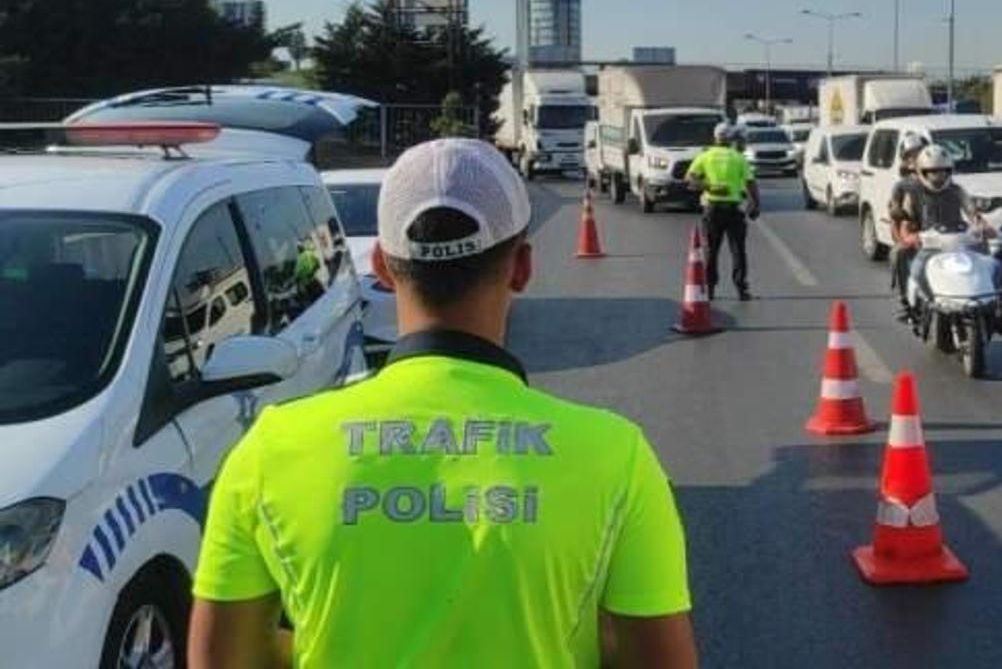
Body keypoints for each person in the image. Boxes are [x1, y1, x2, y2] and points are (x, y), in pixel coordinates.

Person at [189, 139, 698, 669]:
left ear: (384, 267)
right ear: (521, 267)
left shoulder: (271, 451)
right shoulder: (616, 456)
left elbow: (223, 659)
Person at [889, 144, 994, 319]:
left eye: (943, 171)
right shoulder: (911, 192)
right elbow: (905, 223)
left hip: (958, 241)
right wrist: (908, 237)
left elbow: (972, 213)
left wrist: (984, 227)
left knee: (991, 263)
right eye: (933, 172)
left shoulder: (957, 190)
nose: (938, 176)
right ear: (922, 171)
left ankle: (990, 303)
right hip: (927, 244)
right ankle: (907, 302)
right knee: (904, 258)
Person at [687, 122, 761, 301]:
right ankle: (741, 290)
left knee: (711, 251)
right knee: (738, 251)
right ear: (731, 139)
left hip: (712, 210)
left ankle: (710, 289)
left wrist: (709, 187)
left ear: (715, 137)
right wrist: (755, 204)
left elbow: (690, 179)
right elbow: (751, 183)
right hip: (733, 211)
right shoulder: (738, 158)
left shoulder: (705, 156)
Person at [888, 133, 929, 317]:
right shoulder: (902, 186)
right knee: (898, 254)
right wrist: (902, 240)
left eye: (919, 153)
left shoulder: (944, 178)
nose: (915, 158)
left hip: (943, 236)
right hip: (914, 237)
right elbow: (895, 219)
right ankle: (906, 300)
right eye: (911, 155)